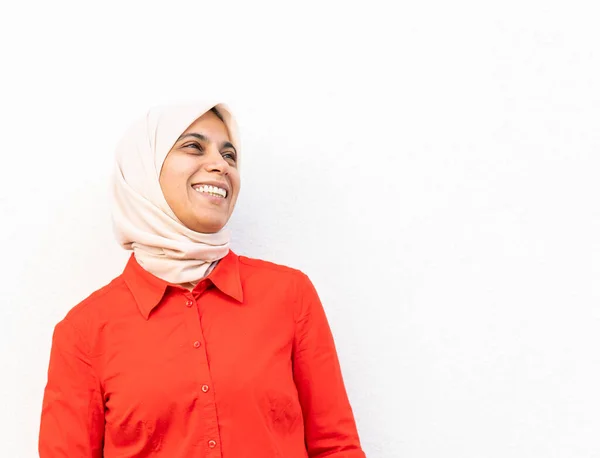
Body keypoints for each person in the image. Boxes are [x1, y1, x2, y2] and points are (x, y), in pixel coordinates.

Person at [39, 100, 365, 457]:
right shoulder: (85, 330)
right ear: (143, 171)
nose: (219, 165)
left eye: (230, 155)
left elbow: (335, 446)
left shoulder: (289, 295)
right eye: (194, 147)